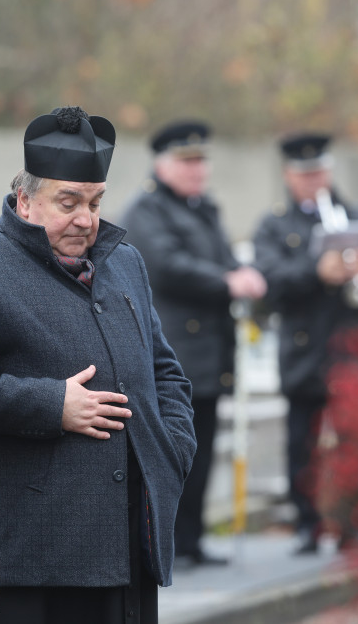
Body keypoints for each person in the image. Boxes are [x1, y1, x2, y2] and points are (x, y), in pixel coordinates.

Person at [0, 106, 197, 624]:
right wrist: (51, 404)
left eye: (95, 201)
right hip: (33, 548)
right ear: (24, 199)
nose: (86, 219)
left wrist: (172, 450)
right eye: (68, 202)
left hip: (133, 537)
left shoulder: (124, 260)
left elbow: (166, 372)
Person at [120, 119, 266, 569]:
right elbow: (167, 265)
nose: (197, 170)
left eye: (201, 161)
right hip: (175, 356)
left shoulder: (206, 209)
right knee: (170, 452)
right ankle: (167, 543)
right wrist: (228, 281)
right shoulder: (147, 210)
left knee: (199, 452)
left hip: (211, 355)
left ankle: (193, 540)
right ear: (163, 165)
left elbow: (222, 257)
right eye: (187, 162)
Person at [251, 132, 358, 554]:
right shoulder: (275, 223)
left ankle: (353, 525)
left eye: (319, 171)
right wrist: (317, 271)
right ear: (288, 176)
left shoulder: (356, 214)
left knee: (357, 441)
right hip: (304, 351)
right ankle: (308, 525)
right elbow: (270, 281)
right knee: (303, 444)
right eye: (305, 173)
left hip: (353, 349)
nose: (314, 179)